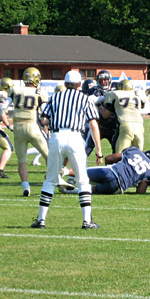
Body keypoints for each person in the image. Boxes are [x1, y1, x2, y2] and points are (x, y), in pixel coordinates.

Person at [30, 70, 103, 230]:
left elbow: (44, 119)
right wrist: (99, 149)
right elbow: (93, 124)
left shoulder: (55, 97)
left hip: (57, 137)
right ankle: (86, 221)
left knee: (50, 180)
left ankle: (41, 220)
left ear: (65, 83)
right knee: (83, 180)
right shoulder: (84, 99)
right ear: (79, 85)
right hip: (75, 137)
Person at [6, 67, 50, 197]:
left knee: (22, 160)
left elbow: (3, 106)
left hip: (18, 127)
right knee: (48, 154)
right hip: (33, 126)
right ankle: (51, 180)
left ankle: (25, 186)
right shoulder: (39, 92)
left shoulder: (15, 90)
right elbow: (44, 112)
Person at [61, 146, 150, 195]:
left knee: (82, 172)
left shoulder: (135, 151)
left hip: (111, 171)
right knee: (95, 189)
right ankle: (71, 191)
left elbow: (109, 158)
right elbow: (141, 191)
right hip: (118, 187)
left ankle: (64, 172)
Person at [101, 79, 147, 153]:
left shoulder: (114, 94)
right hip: (139, 125)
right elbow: (143, 105)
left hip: (125, 124)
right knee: (138, 155)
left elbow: (105, 114)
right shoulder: (136, 94)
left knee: (119, 155)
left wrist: (98, 105)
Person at [85, 70, 119, 154]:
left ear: (110, 79)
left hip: (114, 126)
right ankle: (77, 166)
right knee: (86, 149)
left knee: (117, 150)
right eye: (101, 80)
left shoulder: (116, 87)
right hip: (99, 125)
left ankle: (114, 167)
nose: (103, 82)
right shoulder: (93, 90)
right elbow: (92, 100)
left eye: (106, 79)